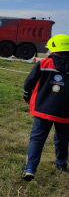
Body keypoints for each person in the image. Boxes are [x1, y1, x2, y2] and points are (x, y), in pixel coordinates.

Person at [22, 34, 69, 181]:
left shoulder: (44, 64)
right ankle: (61, 164)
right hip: (65, 112)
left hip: (43, 109)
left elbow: (29, 83)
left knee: (37, 139)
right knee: (62, 139)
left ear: (54, 49)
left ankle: (30, 169)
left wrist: (26, 96)